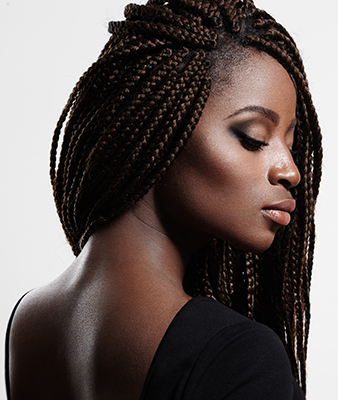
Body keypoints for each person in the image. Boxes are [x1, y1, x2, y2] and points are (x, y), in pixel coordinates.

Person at [5, 0, 322, 399]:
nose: (290, 171)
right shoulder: (236, 355)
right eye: (254, 138)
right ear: (160, 132)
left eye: (291, 145)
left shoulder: (28, 321)